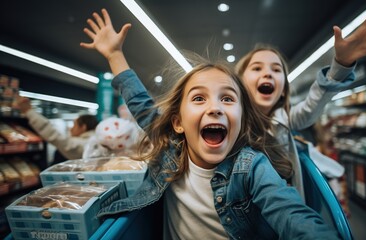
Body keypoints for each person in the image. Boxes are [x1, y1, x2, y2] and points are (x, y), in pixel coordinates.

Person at [80, 9, 341, 239]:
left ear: (242, 119)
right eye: (198, 98)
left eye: (227, 98)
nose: (214, 107)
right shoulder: (171, 148)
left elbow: (289, 212)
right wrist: (114, 54)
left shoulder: (252, 167)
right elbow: (140, 102)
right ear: (178, 122)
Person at [234, 0, 366, 196]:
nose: (267, 74)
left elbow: (312, 106)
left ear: (283, 89)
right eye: (257, 68)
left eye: (276, 70)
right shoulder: (232, 121)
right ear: (240, 84)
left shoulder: (288, 118)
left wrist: (342, 64)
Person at [13, 96, 98, 163]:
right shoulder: (95, 140)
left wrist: (29, 111)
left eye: (74, 125)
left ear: (83, 127)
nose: (71, 129)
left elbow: (55, 136)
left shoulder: (87, 144)